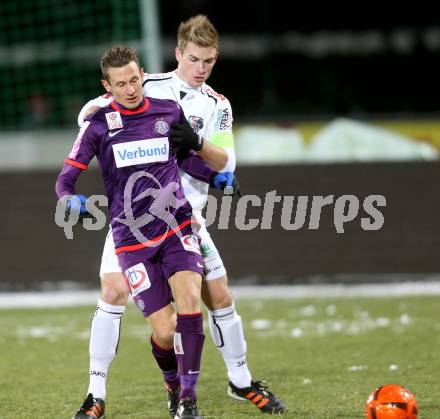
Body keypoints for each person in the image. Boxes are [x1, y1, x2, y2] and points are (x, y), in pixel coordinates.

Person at [75, 15, 287, 418]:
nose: (200, 68)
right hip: (133, 218)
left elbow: (225, 162)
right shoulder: (148, 86)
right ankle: (95, 393)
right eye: (193, 59)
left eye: (208, 61)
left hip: (187, 220)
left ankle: (240, 381)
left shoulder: (218, 105)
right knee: (113, 292)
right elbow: (92, 112)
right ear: (177, 54)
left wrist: (197, 142)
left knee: (219, 295)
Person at [56, 44, 236, 419]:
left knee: (190, 304)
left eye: (135, 79)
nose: (131, 89)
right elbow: (66, 177)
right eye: (121, 84)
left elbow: (184, 159)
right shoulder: (99, 125)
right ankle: (168, 383)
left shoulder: (168, 111)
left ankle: (188, 400)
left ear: (142, 76)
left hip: (176, 224)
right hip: (131, 238)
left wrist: (215, 176)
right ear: (108, 86)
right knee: (166, 331)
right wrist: (69, 198)